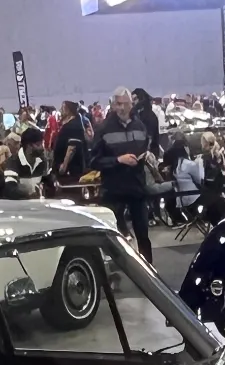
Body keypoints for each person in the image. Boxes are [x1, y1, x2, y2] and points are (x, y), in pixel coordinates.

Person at [95, 85, 154, 261]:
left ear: (131, 105)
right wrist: (118, 160)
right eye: (118, 104)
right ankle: (112, 274)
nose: (121, 108)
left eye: (125, 104)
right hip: (113, 190)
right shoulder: (103, 129)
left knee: (143, 235)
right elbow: (93, 161)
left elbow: (146, 148)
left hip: (136, 188)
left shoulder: (140, 126)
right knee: (112, 237)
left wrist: (148, 156)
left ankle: (150, 272)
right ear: (113, 105)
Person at [50, 98, 88, 192]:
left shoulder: (74, 125)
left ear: (68, 109)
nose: (61, 110)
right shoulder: (70, 123)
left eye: (63, 107)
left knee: (70, 193)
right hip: (65, 167)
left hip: (71, 169)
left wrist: (64, 165)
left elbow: (72, 147)